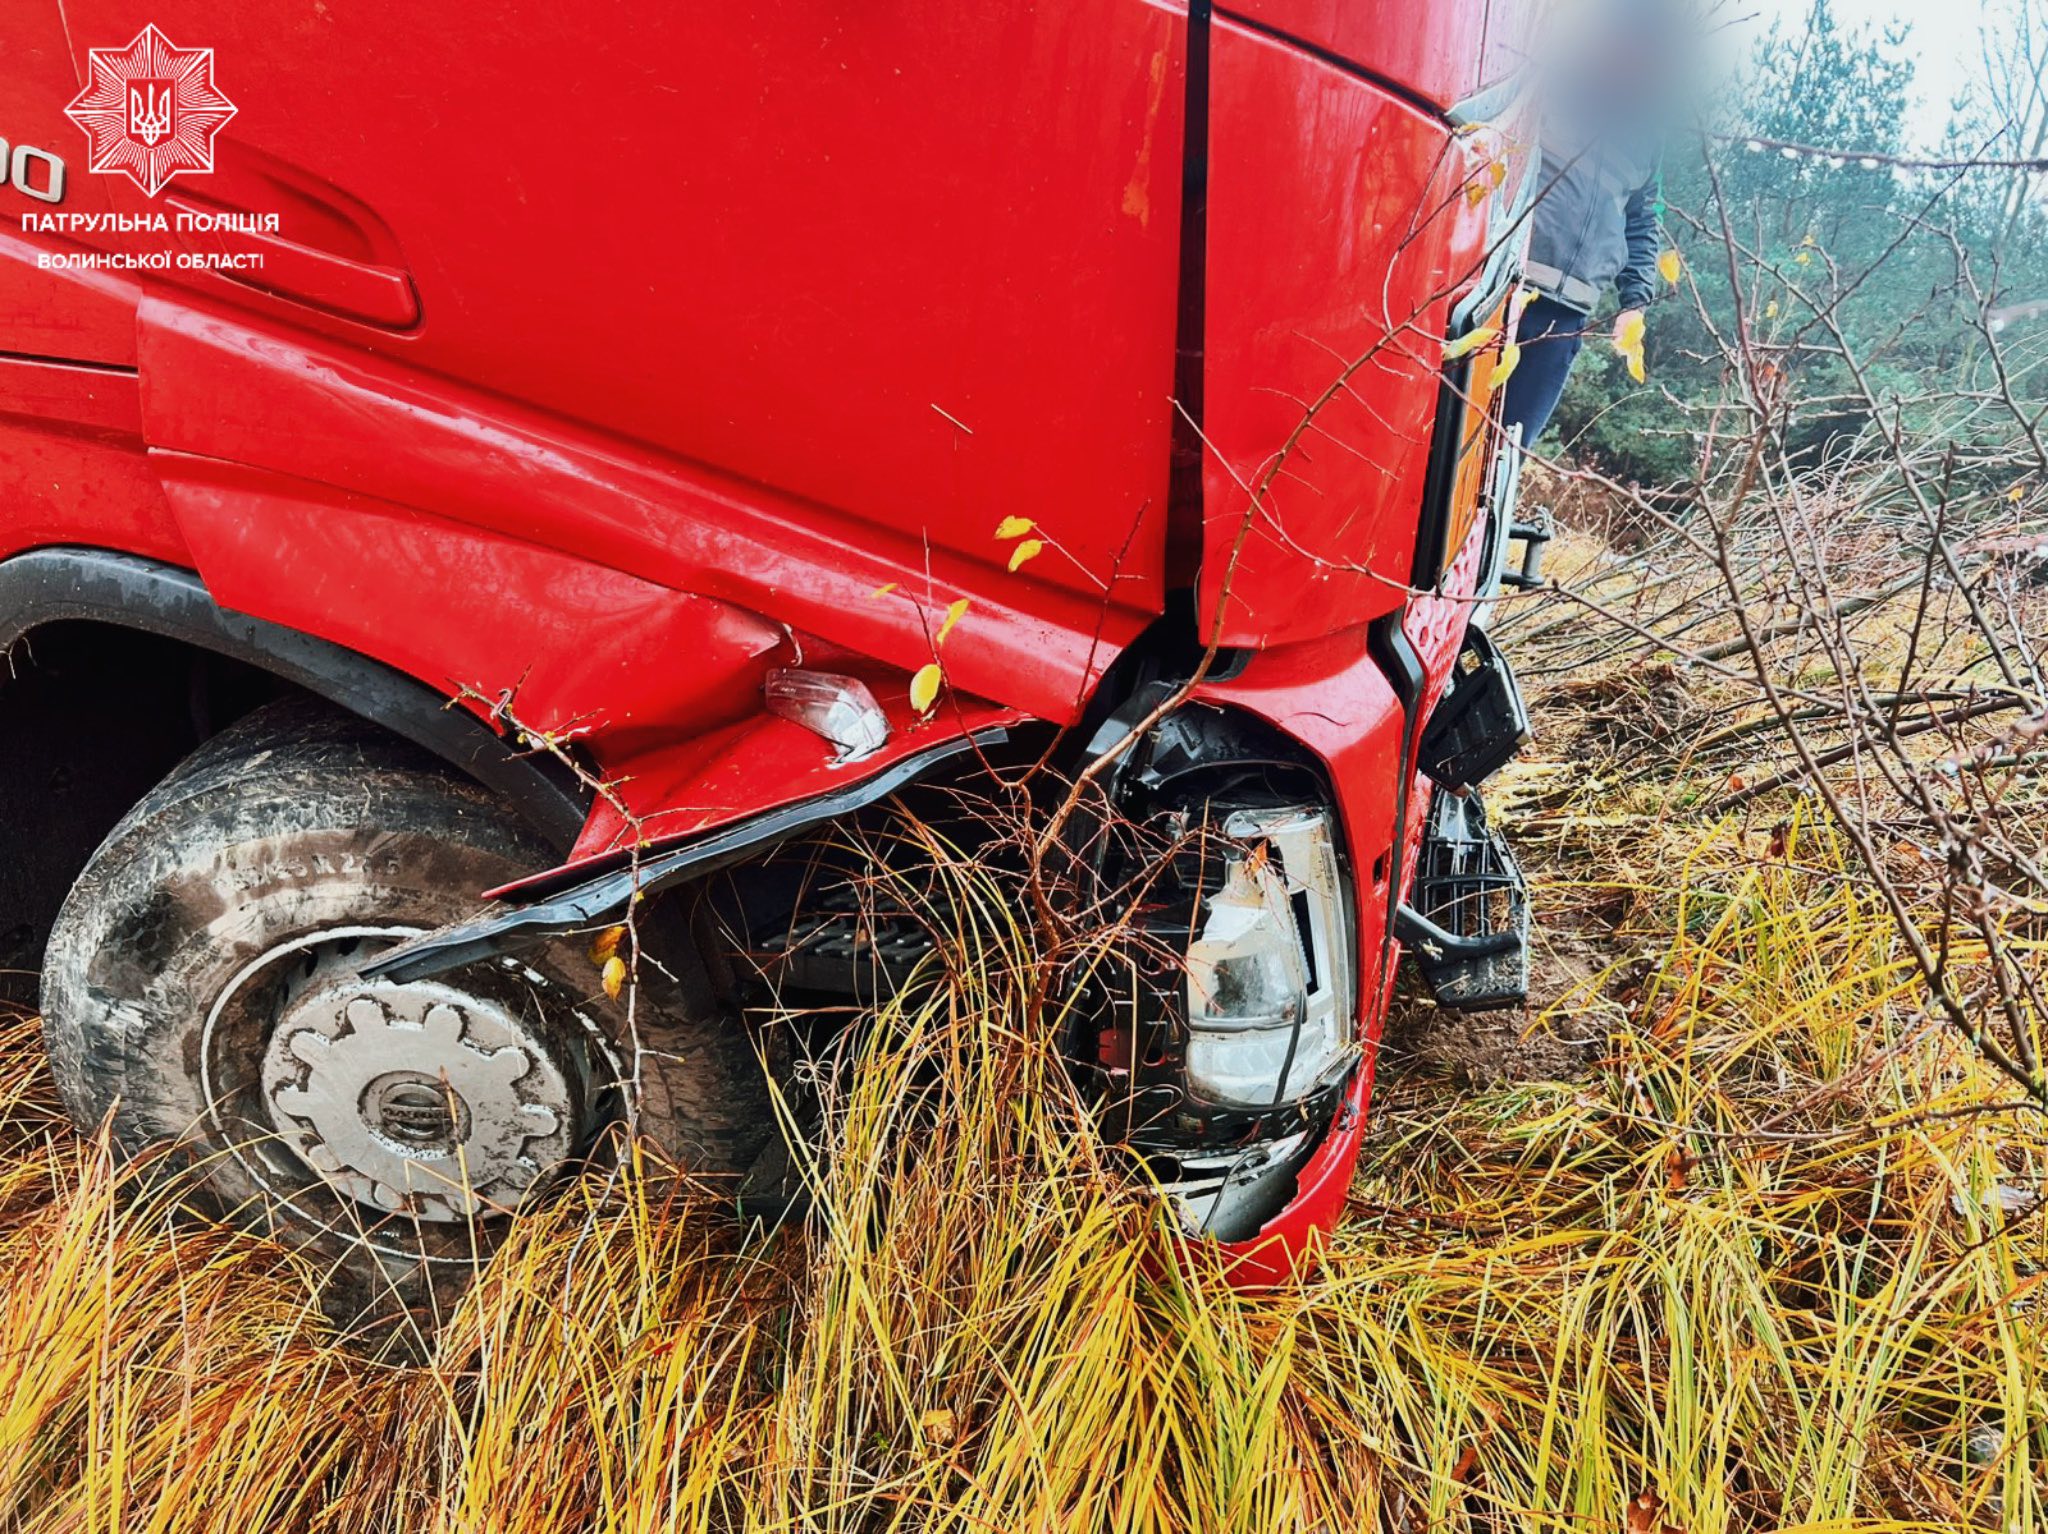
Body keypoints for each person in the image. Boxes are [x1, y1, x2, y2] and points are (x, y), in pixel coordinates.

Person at [1498, 0, 1676, 449]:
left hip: (1569, 311)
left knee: (1511, 446)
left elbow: (1643, 221)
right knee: (1458, 429)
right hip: (1505, 287)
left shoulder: (1648, 136)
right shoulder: (1552, 81)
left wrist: (1635, 302)